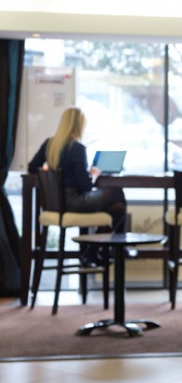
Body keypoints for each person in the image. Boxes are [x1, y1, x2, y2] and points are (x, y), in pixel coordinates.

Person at [28, 107, 127, 265]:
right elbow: (86, 187)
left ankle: (92, 252)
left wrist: (50, 171)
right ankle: (114, 250)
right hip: (74, 202)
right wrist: (94, 174)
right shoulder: (77, 149)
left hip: (56, 204)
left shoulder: (49, 144)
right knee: (117, 193)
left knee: (119, 208)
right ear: (78, 126)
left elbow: (32, 168)